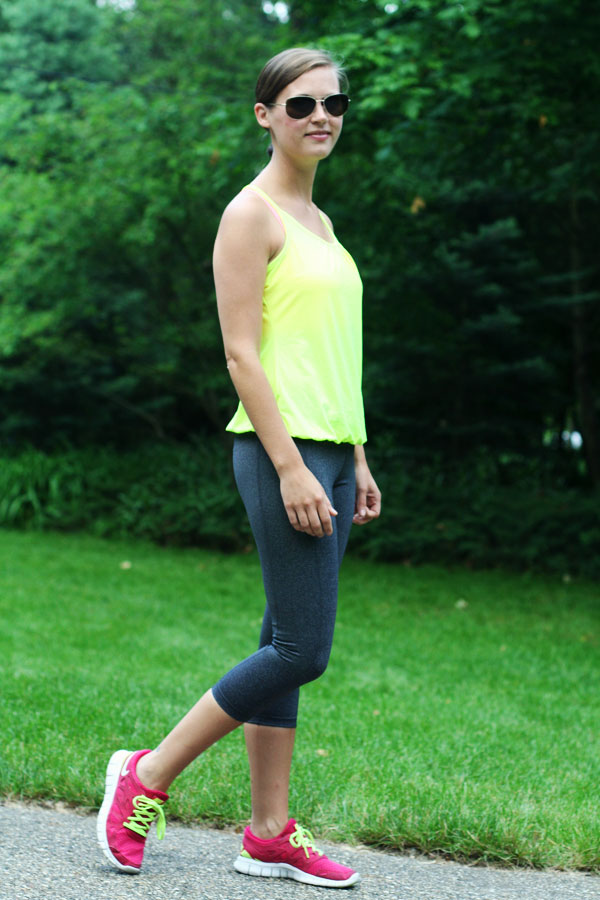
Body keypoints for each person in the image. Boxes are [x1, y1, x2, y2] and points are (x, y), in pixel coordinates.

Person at [96, 46, 381, 890]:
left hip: (332, 451)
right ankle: (146, 774)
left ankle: (267, 833)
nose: (321, 116)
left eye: (334, 103)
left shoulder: (322, 224)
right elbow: (242, 354)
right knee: (301, 649)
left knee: (281, 638)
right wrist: (292, 467)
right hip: (279, 450)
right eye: (301, 104)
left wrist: (357, 456)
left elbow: (332, 355)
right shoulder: (249, 215)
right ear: (265, 115)